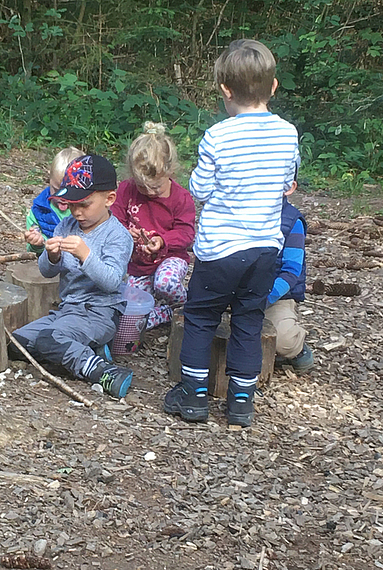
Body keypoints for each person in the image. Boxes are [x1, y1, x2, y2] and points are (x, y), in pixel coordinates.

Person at [164, 39, 300, 427]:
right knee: (248, 320)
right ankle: (241, 401)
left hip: (222, 249)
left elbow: (201, 190)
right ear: (272, 87)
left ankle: (193, 396)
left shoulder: (218, 137)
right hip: (264, 249)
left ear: (225, 90)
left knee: (201, 317)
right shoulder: (288, 133)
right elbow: (288, 182)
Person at [11, 154, 135, 398]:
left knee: (49, 340)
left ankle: (100, 370)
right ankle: (82, 349)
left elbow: (111, 281)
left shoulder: (117, 236)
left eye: (84, 204)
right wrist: (52, 255)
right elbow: (47, 271)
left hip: (99, 313)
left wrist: (85, 254)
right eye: (71, 204)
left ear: (109, 198)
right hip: (68, 310)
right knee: (16, 343)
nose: (76, 211)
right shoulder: (65, 226)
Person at [111, 122, 195, 331]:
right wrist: (125, 234)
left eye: (155, 187)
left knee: (164, 283)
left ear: (170, 171)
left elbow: (187, 233)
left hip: (170, 258)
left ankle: (188, 305)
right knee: (128, 309)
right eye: (142, 187)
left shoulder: (181, 198)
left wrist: (163, 240)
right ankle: (164, 312)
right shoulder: (126, 189)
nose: (149, 192)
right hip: (138, 266)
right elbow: (114, 219)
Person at [267, 176, 314, 371]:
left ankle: (298, 348)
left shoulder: (292, 221)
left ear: (289, 187)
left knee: (283, 340)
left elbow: (291, 272)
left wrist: (265, 298)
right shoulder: (240, 212)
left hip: (275, 296)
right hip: (237, 292)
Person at [24, 146, 83, 254]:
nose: (62, 198)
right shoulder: (38, 212)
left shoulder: (88, 211)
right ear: (49, 180)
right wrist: (36, 243)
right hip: (51, 267)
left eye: (69, 192)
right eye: (56, 190)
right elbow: (33, 252)